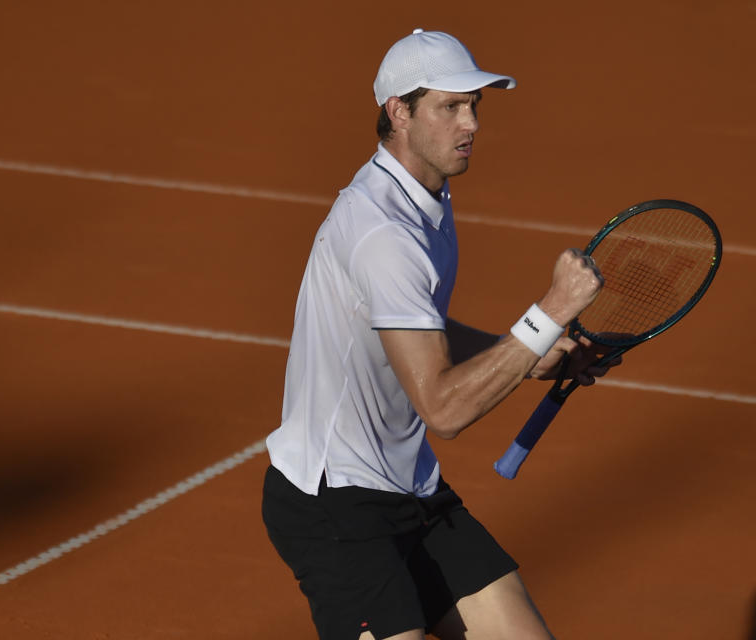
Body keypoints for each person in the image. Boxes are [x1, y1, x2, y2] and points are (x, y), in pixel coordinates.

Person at [262, 29, 620, 640]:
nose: (471, 122)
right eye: (450, 106)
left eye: (475, 105)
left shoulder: (425, 197)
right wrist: (547, 314)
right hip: (335, 505)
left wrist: (533, 357)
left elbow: (419, 328)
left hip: (411, 489)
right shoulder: (385, 234)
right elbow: (444, 408)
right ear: (399, 112)